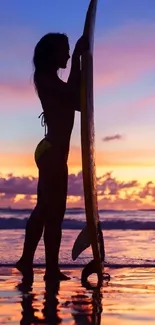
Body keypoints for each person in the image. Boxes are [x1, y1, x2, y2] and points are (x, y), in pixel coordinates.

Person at [16, 32, 87, 288]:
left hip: (54, 152)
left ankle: (29, 262)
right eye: (65, 50)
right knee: (52, 211)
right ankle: (48, 268)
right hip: (52, 152)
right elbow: (74, 97)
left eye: (70, 51)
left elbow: (77, 103)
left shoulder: (52, 80)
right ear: (50, 53)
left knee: (47, 209)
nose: (67, 55)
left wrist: (78, 59)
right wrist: (79, 58)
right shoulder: (44, 79)